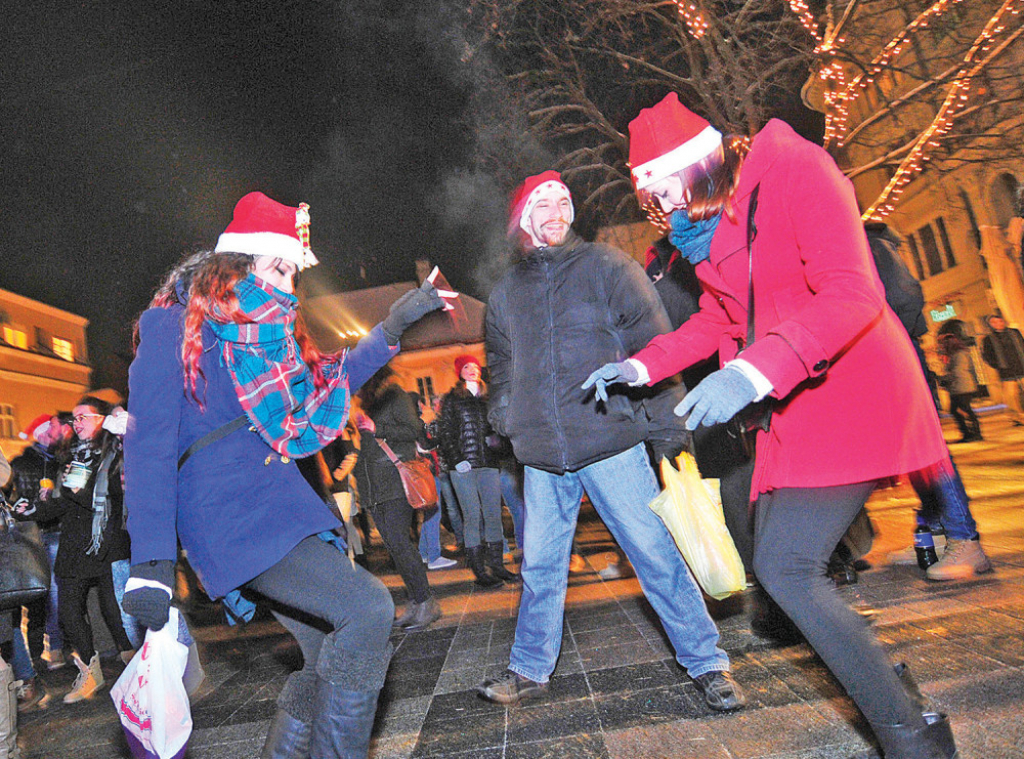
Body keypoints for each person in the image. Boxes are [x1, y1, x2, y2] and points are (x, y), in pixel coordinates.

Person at [586, 93, 957, 757]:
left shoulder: (797, 171)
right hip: (796, 404)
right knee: (781, 566)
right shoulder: (706, 232)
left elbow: (852, 290)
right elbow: (724, 318)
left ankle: (911, 736)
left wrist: (753, 373)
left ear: (704, 162)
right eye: (653, 193)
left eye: (672, 184)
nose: (666, 204)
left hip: (853, 390)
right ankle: (900, 705)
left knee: (788, 569)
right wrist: (641, 367)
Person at [121, 192, 444, 759]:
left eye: (294, 272)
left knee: (325, 656)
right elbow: (148, 445)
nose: (289, 284)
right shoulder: (171, 325)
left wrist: (395, 323)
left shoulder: (273, 338)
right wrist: (151, 565)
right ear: (238, 264)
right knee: (368, 609)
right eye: (279, 267)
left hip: (281, 505)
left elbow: (328, 383)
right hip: (225, 513)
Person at [479, 171, 744, 712]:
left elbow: (655, 347)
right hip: (542, 458)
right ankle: (530, 669)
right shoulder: (505, 295)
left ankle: (707, 663)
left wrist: (670, 430)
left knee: (654, 553)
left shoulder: (607, 266)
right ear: (522, 219)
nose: (556, 208)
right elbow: (501, 370)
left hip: (611, 441)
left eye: (563, 200)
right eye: (542, 202)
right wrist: (505, 415)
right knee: (540, 567)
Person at [14, 397, 135, 704]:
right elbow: (67, 501)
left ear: (101, 419)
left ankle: (136, 665)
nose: (76, 423)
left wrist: (76, 486)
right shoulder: (76, 456)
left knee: (115, 611)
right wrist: (32, 510)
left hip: (107, 541)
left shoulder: (117, 450)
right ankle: (90, 670)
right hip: (76, 542)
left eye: (83, 417)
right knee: (68, 610)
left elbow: (109, 495)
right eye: (74, 419)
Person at [352, 367, 443, 632]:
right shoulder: (371, 403)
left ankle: (427, 603)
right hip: (376, 488)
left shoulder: (394, 395)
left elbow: (413, 429)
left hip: (394, 483)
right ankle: (416, 602)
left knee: (401, 545)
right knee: (395, 548)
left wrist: (376, 426)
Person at [435, 355, 516, 586]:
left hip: (488, 464)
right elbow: (446, 433)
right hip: (463, 468)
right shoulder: (452, 399)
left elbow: (500, 429)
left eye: (475, 366)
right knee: (472, 516)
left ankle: (497, 565)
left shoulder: (489, 397)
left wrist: (500, 445)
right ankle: (479, 570)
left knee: (493, 514)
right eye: (467, 367)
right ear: (460, 372)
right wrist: (457, 459)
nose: (472, 370)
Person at [980, 312, 1024, 426]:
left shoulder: (1014, 332)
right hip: (1006, 371)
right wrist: (997, 365)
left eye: (999, 321)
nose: (998, 324)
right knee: (1011, 396)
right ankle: (1017, 417)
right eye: (994, 322)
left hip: (1022, 366)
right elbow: (986, 356)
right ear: (990, 325)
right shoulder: (988, 339)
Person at [939, 332, 982, 443]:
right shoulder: (956, 354)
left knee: (964, 409)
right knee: (958, 409)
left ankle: (973, 433)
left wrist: (945, 379)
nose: (941, 347)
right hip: (960, 386)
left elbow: (957, 371)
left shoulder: (959, 354)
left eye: (943, 344)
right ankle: (969, 433)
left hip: (961, 386)